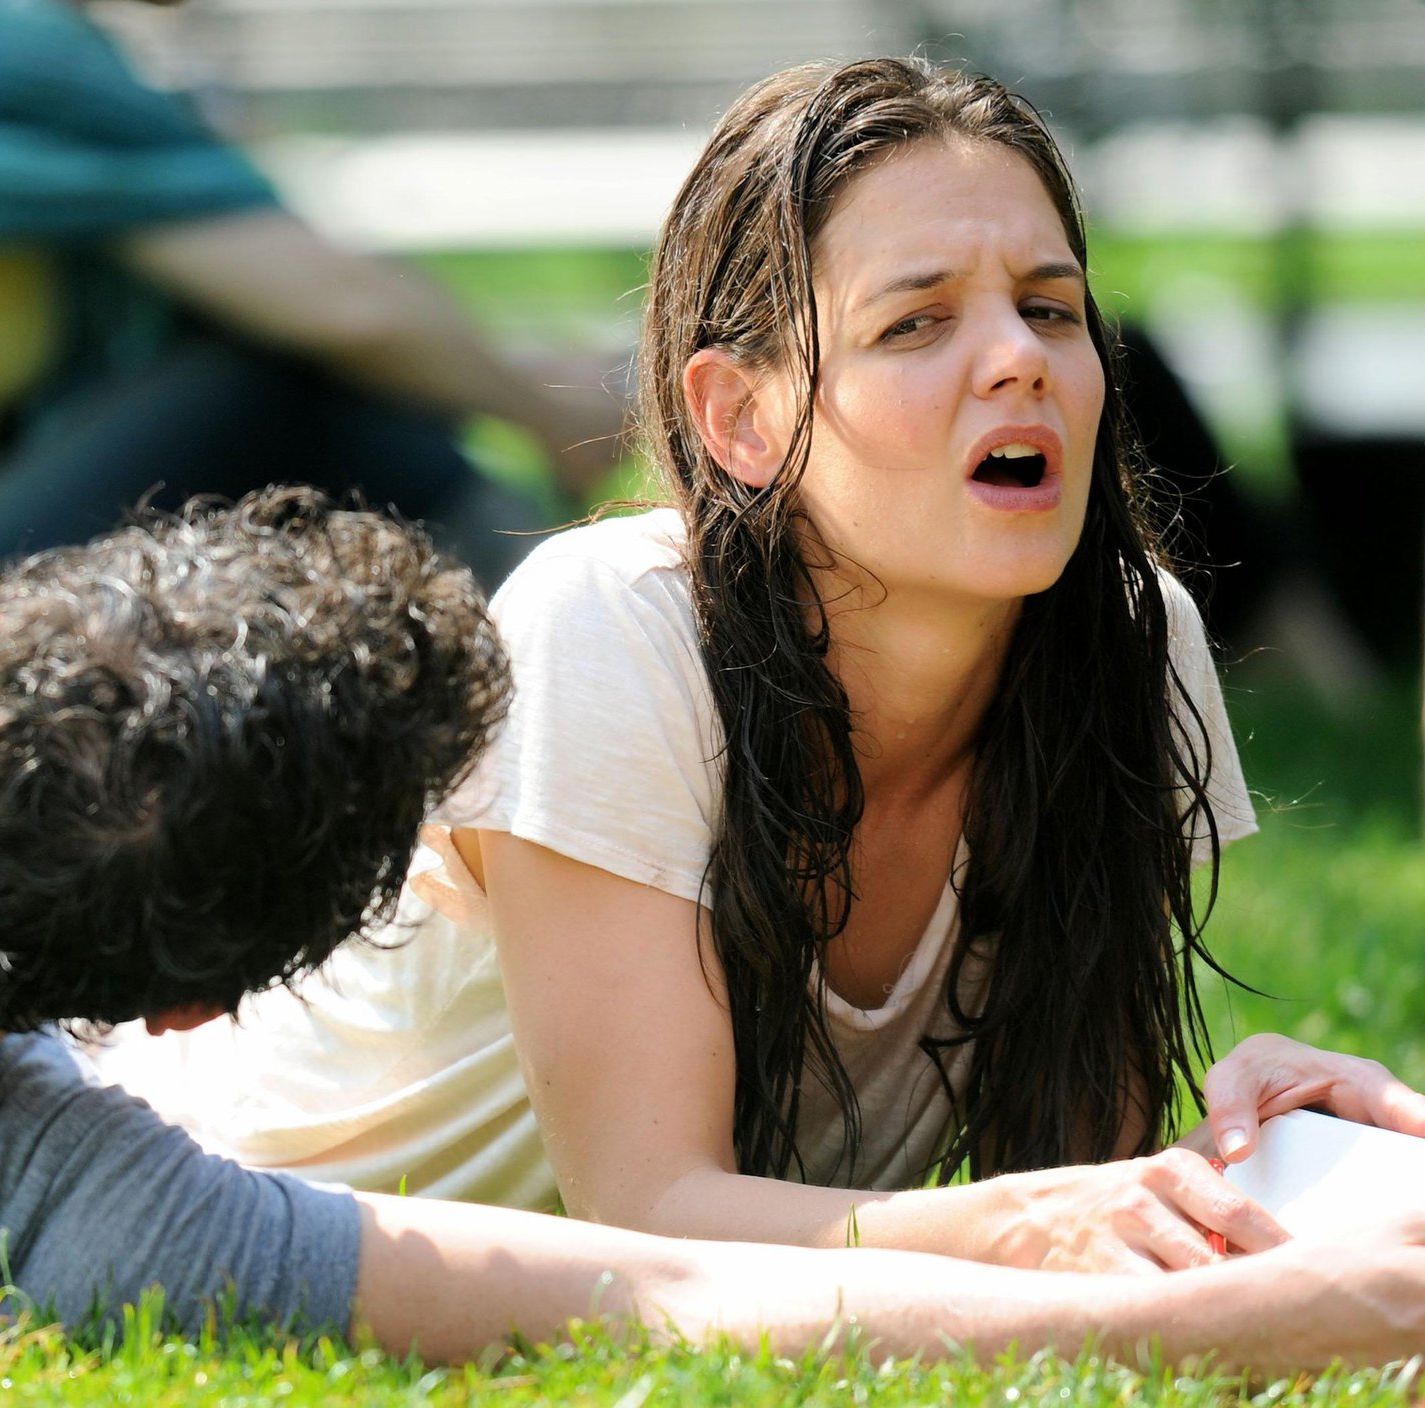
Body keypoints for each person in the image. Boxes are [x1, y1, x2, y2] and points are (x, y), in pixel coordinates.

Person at [0, 455, 1424, 1370]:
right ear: (192, 1004)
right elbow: (651, 1301)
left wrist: (1095, 1205)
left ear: (11, 629)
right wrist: (1251, 1307)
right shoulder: (33, 1205)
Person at [95, 56, 1425, 1272]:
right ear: (738, 413)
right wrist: (1078, 1217)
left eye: (1052, 308)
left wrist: (1255, 1157)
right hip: (160, 1197)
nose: (1019, 359)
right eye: (918, 323)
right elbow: (653, 1209)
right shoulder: (615, 625)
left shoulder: (1135, 646)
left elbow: (1069, 1205)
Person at [0, 0, 622, 676]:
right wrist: (552, 410)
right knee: (275, 383)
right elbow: (339, 308)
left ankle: (530, 647)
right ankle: (557, 657)